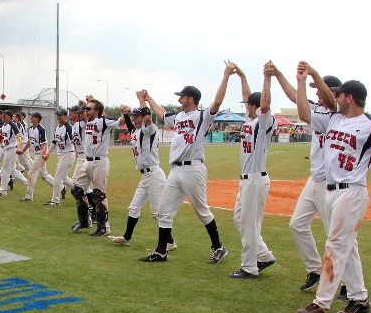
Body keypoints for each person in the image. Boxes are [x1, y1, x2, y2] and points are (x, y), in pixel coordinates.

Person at [294, 63, 371, 313]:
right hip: (331, 191)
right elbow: (304, 113)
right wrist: (303, 81)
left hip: (352, 193)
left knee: (335, 245)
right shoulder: (334, 119)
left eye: (340, 95)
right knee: (348, 247)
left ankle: (321, 305)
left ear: (350, 98)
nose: (335, 98)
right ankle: (360, 298)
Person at [138, 60, 235, 263]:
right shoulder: (179, 116)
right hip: (175, 170)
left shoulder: (202, 116)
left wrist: (226, 75)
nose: (180, 98)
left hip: (193, 168)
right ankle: (161, 251)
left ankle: (219, 247)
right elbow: (162, 114)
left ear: (190, 98)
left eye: (182, 96)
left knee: (201, 210)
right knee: (164, 212)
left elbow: (217, 102)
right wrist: (148, 99)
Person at [273, 62, 342, 291]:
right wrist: (279, 75)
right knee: (297, 224)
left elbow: (330, 101)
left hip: (331, 183)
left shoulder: (337, 112)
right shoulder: (318, 109)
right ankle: (315, 270)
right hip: (315, 179)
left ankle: (348, 285)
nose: (316, 93)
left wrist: (314, 74)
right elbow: (295, 97)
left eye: (319, 88)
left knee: (336, 236)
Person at [226, 62, 278, 278]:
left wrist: (267, 78)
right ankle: (264, 255)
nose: (246, 105)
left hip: (256, 179)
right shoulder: (251, 119)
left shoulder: (264, 121)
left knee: (248, 223)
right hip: (247, 180)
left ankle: (249, 267)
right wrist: (242, 76)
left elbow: (264, 105)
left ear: (254, 106)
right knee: (240, 219)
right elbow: (251, 97)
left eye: (248, 104)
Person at [108, 99, 176, 250]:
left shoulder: (149, 130)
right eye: (133, 116)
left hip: (154, 175)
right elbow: (131, 126)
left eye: (136, 116)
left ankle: (170, 242)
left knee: (157, 212)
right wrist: (125, 113)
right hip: (145, 177)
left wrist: (142, 101)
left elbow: (148, 119)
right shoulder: (135, 131)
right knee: (133, 208)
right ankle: (127, 238)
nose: (134, 118)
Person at [70, 99, 123, 236]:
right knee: (77, 190)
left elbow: (120, 122)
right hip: (87, 161)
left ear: (97, 111)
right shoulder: (87, 122)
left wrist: (125, 114)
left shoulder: (104, 121)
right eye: (85, 109)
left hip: (100, 162)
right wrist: (87, 102)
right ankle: (84, 221)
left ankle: (104, 226)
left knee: (98, 195)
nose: (85, 111)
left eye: (89, 109)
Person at [0, 110, 28, 196]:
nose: (3, 116)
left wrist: (18, 147)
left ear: (9, 116)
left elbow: (19, 137)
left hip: (11, 149)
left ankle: (2, 191)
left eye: (5, 115)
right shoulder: (4, 125)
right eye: (3, 115)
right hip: (6, 149)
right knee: (12, 170)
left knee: (5, 170)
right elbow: (1, 137)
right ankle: (27, 182)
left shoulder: (12, 125)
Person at [20, 112, 55, 201]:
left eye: (32, 117)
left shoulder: (41, 130)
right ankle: (61, 188)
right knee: (44, 175)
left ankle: (29, 196)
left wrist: (44, 154)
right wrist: (23, 151)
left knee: (31, 173)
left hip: (40, 155)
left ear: (37, 119)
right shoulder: (30, 129)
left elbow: (45, 144)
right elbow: (29, 141)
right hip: (36, 154)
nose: (31, 118)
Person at [45, 109, 75, 206]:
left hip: (68, 154)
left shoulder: (69, 127)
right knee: (64, 179)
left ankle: (55, 200)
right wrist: (48, 152)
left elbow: (74, 140)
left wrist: (78, 152)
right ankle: (80, 189)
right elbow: (55, 141)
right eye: (57, 115)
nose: (58, 117)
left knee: (58, 178)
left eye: (60, 115)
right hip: (61, 155)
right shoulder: (58, 127)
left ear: (65, 116)